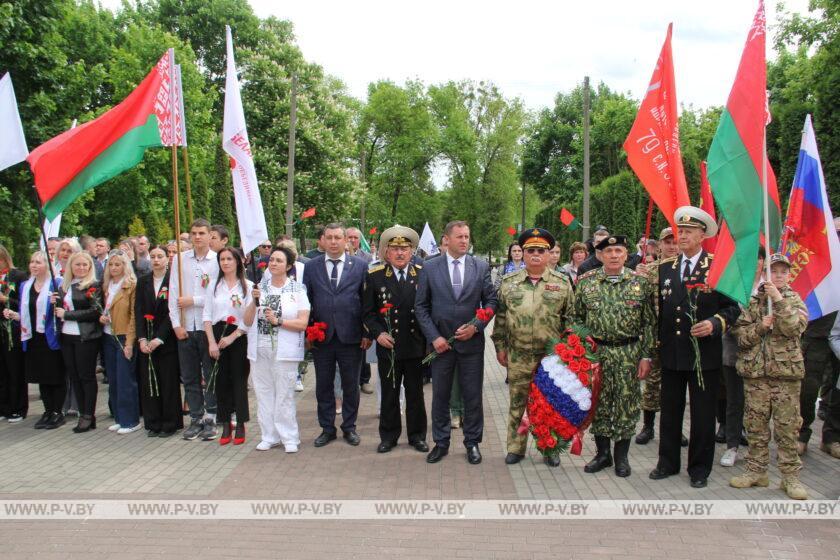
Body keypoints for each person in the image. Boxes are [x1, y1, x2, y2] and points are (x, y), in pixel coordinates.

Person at [649, 207, 740, 489]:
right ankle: (667, 462)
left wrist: (715, 323)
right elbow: (660, 310)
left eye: (689, 231)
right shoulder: (666, 268)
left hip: (703, 355)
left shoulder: (716, 267)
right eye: (680, 231)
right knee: (670, 410)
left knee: (702, 415)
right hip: (673, 352)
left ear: (703, 235)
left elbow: (733, 308)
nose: (683, 236)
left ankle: (699, 468)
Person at [415, 220, 497, 465]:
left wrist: (476, 326)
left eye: (467, 236)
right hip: (441, 346)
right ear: (446, 239)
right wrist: (435, 337)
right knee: (440, 395)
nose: (464, 241)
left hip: (471, 345)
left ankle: (472, 443)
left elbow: (491, 303)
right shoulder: (429, 268)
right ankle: (441, 443)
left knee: (472, 396)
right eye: (459, 236)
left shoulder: (480, 266)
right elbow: (421, 307)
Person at [572, 235, 655, 477]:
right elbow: (576, 319)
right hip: (597, 353)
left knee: (626, 404)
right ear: (600, 255)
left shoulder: (640, 282)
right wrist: (581, 350)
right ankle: (602, 454)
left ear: (626, 254)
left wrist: (646, 356)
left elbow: (649, 323)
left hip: (628, 353)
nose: (614, 255)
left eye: (619, 250)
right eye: (608, 251)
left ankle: (621, 457)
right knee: (598, 404)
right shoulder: (586, 283)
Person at [729, 254, 809, 499]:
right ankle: (756, 470)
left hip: (785, 376)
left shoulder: (794, 300)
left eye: (783, 272)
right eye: (773, 272)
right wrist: (760, 328)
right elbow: (739, 336)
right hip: (756, 374)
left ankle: (790, 477)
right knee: (755, 426)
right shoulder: (753, 302)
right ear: (765, 274)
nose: (778, 276)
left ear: (789, 275)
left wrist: (779, 300)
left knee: (787, 428)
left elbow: (795, 327)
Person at [492, 228, 574, 467]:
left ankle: (550, 448)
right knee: (518, 402)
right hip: (518, 355)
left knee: (549, 404)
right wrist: (500, 346)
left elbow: (571, 319)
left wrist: (568, 353)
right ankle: (516, 448)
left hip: (551, 358)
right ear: (523, 254)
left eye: (541, 250)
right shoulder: (509, 284)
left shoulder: (562, 283)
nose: (536, 254)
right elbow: (501, 318)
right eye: (531, 251)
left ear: (549, 254)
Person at [303, 223, 371, 447]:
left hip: (351, 336)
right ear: (322, 240)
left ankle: (349, 427)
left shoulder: (361, 266)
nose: (333, 242)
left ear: (346, 241)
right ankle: (327, 428)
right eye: (329, 237)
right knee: (323, 385)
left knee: (351, 385)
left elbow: (366, 302)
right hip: (322, 337)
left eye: (337, 238)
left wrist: (366, 332)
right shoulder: (311, 267)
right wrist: (309, 332)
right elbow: (307, 300)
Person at [363, 225, 428, 454]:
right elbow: (368, 312)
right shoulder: (375, 275)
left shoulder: (422, 273)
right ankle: (389, 436)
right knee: (390, 393)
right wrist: (378, 333)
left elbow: (429, 308)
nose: (400, 253)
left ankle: (417, 436)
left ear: (412, 251)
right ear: (386, 252)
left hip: (415, 345)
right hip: (388, 346)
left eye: (404, 248)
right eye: (394, 248)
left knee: (415, 394)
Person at [245, 245, 309, 452]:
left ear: (289, 266)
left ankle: (289, 437)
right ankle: (269, 435)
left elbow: (302, 323)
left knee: (284, 394)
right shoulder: (258, 288)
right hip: (260, 348)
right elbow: (246, 321)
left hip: (286, 349)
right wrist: (253, 302)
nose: (273, 263)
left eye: (279, 260)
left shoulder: (297, 289)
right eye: (271, 259)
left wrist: (279, 321)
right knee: (263, 393)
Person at [635, 227, 688, 448]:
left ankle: (675, 428)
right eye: (668, 242)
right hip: (655, 336)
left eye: (675, 242)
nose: (672, 246)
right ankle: (648, 426)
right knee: (652, 385)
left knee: (676, 387)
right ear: (659, 247)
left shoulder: (687, 270)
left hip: (680, 338)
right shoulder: (650, 270)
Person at [169, 218, 220, 441]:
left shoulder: (217, 261)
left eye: (202, 233)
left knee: (209, 375)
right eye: (194, 233)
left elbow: (216, 295)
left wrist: (194, 300)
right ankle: (196, 417)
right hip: (186, 326)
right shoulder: (180, 260)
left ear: (210, 236)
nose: (197, 237)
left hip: (207, 326)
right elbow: (173, 294)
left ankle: (211, 416)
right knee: (189, 376)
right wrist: (176, 324)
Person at [6, 252, 64, 428]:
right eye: (31, 262)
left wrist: (57, 302)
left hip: (50, 336)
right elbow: (26, 313)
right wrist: (14, 315)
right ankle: (47, 411)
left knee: (54, 375)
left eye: (38, 262)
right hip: (32, 337)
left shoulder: (57, 283)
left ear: (47, 264)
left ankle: (57, 411)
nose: (33, 265)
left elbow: (64, 307)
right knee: (40, 375)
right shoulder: (25, 286)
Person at [719, 249, 765, 467]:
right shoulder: (733, 286)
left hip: (762, 356)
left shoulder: (770, 287)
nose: (754, 263)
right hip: (734, 351)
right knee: (735, 401)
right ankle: (732, 446)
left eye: (758, 258)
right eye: (750, 258)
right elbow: (728, 317)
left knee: (759, 404)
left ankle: (758, 448)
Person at [204, 247, 253, 445]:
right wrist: (211, 342)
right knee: (221, 382)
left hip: (238, 336)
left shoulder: (247, 286)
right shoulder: (214, 287)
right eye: (222, 259)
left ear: (238, 262)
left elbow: (249, 319)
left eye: (229, 259)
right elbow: (206, 315)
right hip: (216, 335)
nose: (225, 263)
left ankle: (240, 422)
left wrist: (233, 337)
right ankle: (225, 423)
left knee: (239, 381)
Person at [135, 245, 182, 437]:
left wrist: (160, 338)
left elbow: (173, 312)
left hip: (167, 338)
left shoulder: (173, 281)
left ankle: (170, 423)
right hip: (147, 338)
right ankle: (153, 422)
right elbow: (138, 310)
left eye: (160, 256)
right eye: (152, 256)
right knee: (149, 383)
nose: (156, 260)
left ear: (167, 259)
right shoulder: (143, 281)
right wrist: (142, 338)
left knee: (168, 381)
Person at [54, 252, 103, 433]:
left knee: (86, 376)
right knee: (74, 376)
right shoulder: (65, 285)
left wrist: (67, 315)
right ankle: (83, 412)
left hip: (86, 337)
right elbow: (61, 308)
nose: (81, 268)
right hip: (67, 336)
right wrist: (55, 303)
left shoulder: (94, 286)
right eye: (77, 265)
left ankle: (88, 415)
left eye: (85, 265)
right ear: (71, 267)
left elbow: (95, 312)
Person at [99, 250, 139, 434]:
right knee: (113, 380)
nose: (114, 268)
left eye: (118, 264)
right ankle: (118, 416)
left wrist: (130, 342)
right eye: (111, 264)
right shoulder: (107, 285)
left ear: (125, 266)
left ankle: (130, 420)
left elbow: (133, 316)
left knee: (125, 380)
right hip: (108, 335)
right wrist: (102, 317)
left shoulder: (130, 285)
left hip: (123, 336)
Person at [0, 245, 29, 422]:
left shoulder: (17, 276)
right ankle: (4, 406)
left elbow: (24, 303)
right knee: (2, 370)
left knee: (14, 369)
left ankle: (18, 407)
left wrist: (6, 299)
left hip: (12, 328)